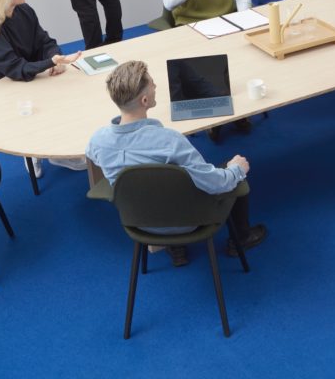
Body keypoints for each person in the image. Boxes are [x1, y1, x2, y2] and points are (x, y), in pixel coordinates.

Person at [86, 61, 268, 267]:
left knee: (162, 180)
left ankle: (176, 249)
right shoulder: (170, 141)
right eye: (153, 84)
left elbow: (92, 156)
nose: (156, 87)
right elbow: (216, 183)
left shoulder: (98, 141)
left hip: (139, 220)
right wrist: (236, 170)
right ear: (145, 100)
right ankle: (241, 240)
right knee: (230, 168)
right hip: (190, 219)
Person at [0, 0, 84, 173]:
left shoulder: (24, 10)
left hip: (30, 74)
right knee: (47, 102)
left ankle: (55, 151)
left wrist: (55, 60)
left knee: (69, 92)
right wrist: (50, 63)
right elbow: (16, 69)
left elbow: (45, 41)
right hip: (3, 88)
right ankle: (35, 151)